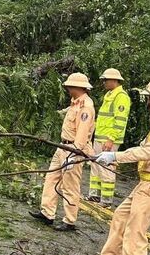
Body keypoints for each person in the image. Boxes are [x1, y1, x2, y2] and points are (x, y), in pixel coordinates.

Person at [96, 78, 150, 255]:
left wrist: (115, 155)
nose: (149, 102)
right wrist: (115, 157)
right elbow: (144, 147)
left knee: (134, 233)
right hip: (147, 183)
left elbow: (148, 152)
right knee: (121, 217)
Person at [29, 73, 96, 231]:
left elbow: (82, 133)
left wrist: (73, 155)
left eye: (70, 86)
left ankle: (70, 220)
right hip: (62, 146)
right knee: (51, 178)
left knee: (70, 186)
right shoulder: (75, 103)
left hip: (72, 149)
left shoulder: (86, 107)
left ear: (79, 87)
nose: (67, 89)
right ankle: (47, 213)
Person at [86, 68, 131, 207]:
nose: (104, 82)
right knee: (95, 165)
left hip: (109, 140)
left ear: (114, 80)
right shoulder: (109, 95)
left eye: (106, 80)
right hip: (100, 137)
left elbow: (120, 121)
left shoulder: (121, 97)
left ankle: (106, 200)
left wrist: (111, 139)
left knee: (107, 168)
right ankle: (94, 195)